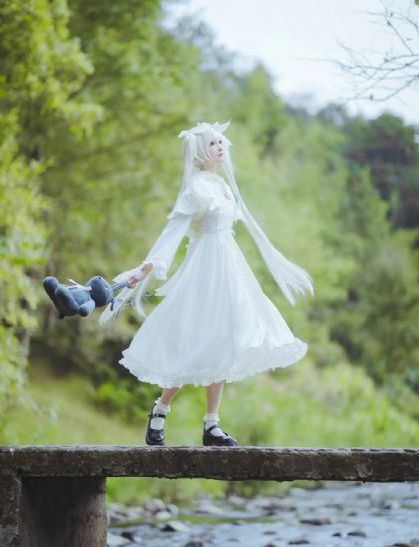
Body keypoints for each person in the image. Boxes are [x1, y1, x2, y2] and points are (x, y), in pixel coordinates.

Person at [99, 121, 314, 447]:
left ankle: (212, 424)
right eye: (212, 143)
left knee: (227, 339)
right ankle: (160, 410)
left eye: (220, 142)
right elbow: (173, 231)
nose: (220, 147)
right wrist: (147, 268)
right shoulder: (196, 188)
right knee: (194, 341)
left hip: (230, 268)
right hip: (204, 270)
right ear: (200, 151)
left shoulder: (221, 185)